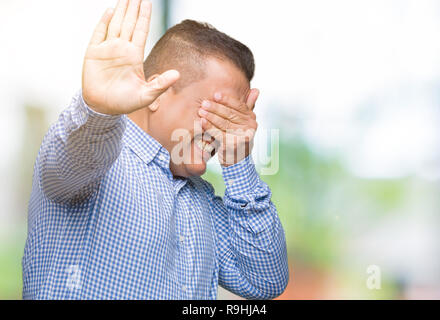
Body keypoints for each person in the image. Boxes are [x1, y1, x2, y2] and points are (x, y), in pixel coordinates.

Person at [23, 0, 288, 299]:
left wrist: (239, 162)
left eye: (232, 119)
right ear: (156, 93)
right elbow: (68, 167)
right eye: (214, 111)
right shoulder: (95, 160)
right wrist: (98, 111)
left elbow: (266, 281)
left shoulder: (202, 202)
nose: (220, 131)